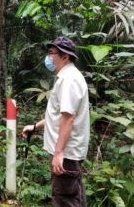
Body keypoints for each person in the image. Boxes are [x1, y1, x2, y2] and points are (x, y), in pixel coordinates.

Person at [22, 37, 90, 207]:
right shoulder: (66, 77)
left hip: (66, 153)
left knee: (64, 199)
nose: (48, 57)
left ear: (65, 57)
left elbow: (68, 118)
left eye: (51, 53)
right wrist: (36, 126)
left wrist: (59, 153)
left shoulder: (69, 80)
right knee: (73, 197)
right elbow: (60, 114)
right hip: (66, 152)